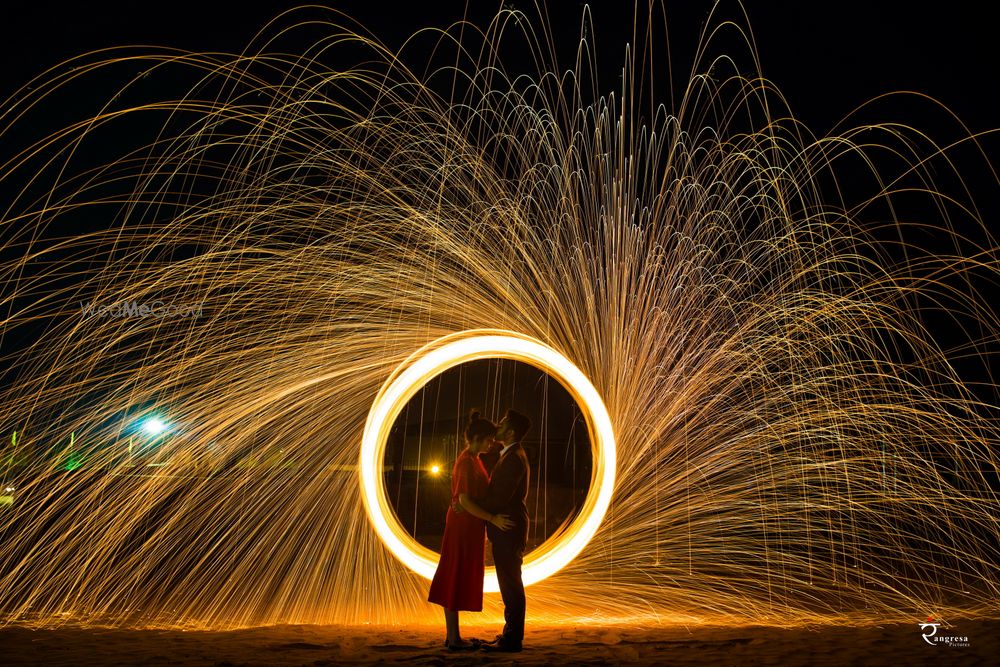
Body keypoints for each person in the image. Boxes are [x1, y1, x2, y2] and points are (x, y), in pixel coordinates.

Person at [427, 409, 514, 651]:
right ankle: (453, 639)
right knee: (454, 575)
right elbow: (464, 500)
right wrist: (492, 519)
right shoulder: (466, 461)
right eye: (488, 439)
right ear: (477, 438)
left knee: (458, 574)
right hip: (462, 528)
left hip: (469, 526)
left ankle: (453, 637)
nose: (492, 443)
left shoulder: (474, 458)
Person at [479, 408, 532, 652]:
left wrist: (473, 507)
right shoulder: (511, 454)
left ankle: (512, 640)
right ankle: (509, 635)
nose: (496, 426)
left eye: (501, 423)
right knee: (509, 582)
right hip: (508, 526)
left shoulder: (513, 458)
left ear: (510, 432)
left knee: (510, 583)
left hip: (507, 527)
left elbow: (499, 496)